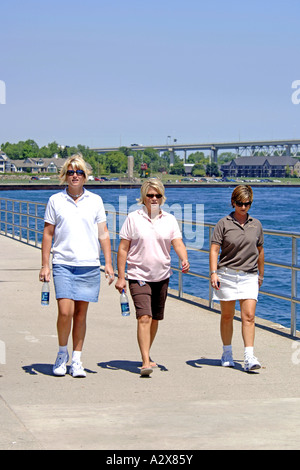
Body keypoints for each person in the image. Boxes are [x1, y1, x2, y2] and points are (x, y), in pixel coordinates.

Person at [39, 153, 114, 377]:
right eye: (70, 172)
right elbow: (48, 233)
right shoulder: (55, 200)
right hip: (62, 263)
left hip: (89, 265)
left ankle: (77, 360)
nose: (74, 175)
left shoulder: (95, 201)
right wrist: (45, 265)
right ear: (64, 175)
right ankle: (62, 354)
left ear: (85, 176)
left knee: (80, 315)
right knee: (65, 312)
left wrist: (108, 263)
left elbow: (104, 234)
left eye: (79, 172)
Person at [115, 178, 189, 376]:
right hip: (138, 275)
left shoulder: (170, 220)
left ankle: (146, 353)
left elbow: (178, 242)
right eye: (150, 195)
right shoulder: (133, 218)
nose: (154, 199)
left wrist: (184, 259)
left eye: (157, 195)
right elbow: (123, 249)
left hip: (162, 276)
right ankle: (146, 361)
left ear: (162, 197)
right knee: (144, 316)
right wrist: (121, 276)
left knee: (155, 318)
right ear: (143, 197)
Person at [209, 185, 264, 372]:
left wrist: (261, 274)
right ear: (233, 202)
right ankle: (227, 352)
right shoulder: (223, 223)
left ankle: (249, 357)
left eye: (247, 204)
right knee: (227, 316)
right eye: (240, 203)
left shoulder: (256, 224)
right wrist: (213, 272)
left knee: (249, 317)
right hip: (227, 274)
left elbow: (260, 250)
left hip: (249, 274)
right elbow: (215, 249)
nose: (243, 207)